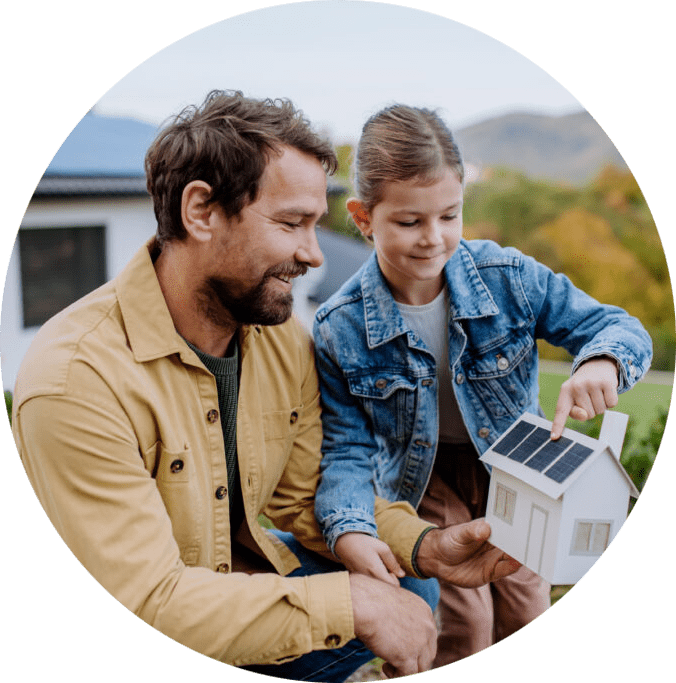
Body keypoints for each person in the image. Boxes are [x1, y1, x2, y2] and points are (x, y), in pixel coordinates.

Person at [11, 91, 521, 682]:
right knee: (372, 601)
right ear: (201, 211)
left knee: (408, 583)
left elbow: (307, 494)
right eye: (290, 224)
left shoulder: (276, 337)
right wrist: (352, 604)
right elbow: (142, 604)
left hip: (227, 583)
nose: (311, 253)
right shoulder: (76, 380)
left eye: (315, 224)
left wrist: (425, 546)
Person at [313, 104, 653, 667]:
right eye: (409, 222)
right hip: (424, 483)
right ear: (363, 217)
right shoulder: (340, 327)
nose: (433, 238)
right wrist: (350, 527)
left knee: (526, 607)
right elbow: (345, 450)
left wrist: (603, 364)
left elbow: (617, 327)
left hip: (515, 465)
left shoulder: (509, 277)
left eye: (450, 216)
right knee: (464, 624)